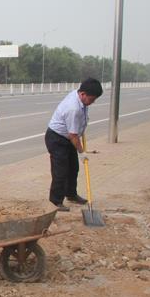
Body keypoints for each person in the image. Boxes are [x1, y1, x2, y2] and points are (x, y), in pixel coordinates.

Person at [45, 78, 103, 212]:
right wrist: (81, 152)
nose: (93, 102)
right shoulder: (73, 108)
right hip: (57, 139)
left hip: (68, 138)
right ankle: (55, 201)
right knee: (61, 171)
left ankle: (71, 194)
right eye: (92, 99)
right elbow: (73, 135)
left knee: (73, 168)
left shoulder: (79, 96)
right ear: (82, 94)